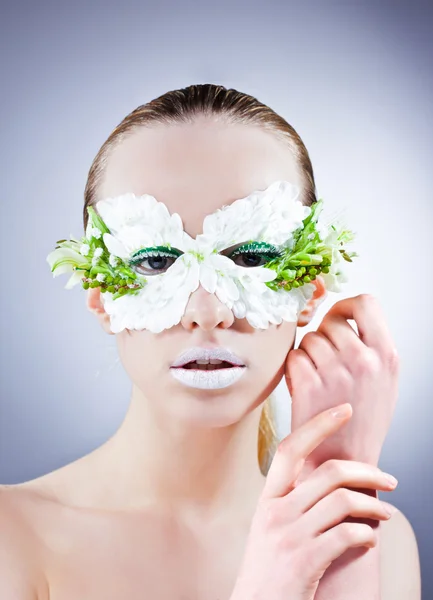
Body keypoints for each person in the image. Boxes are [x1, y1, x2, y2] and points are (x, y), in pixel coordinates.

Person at [0, 84, 420, 599]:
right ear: (101, 297)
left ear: (311, 290)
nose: (207, 313)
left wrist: (336, 478)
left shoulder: (381, 536)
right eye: (155, 260)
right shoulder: (11, 538)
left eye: (251, 256)